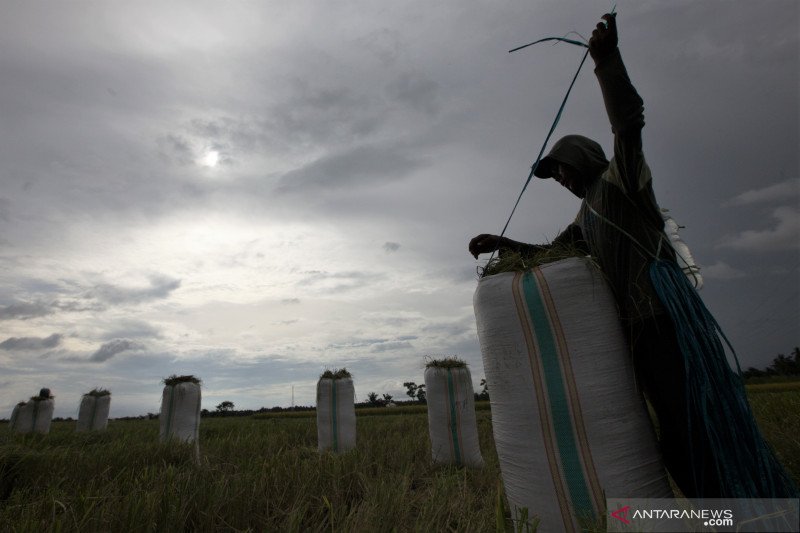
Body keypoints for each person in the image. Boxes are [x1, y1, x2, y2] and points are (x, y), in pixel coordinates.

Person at [469, 13, 796, 499]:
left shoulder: (622, 182)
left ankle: (730, 510)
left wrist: (607, 62)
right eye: (554, 174)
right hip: (637, 329)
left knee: (692, 432)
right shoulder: (586, 215)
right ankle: (711, 511)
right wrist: (504, 244)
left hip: (664, 318)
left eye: (561, 168)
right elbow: (557, 253)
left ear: (582, 158)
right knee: (672, 436)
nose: (560, 179)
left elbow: (628, 124)